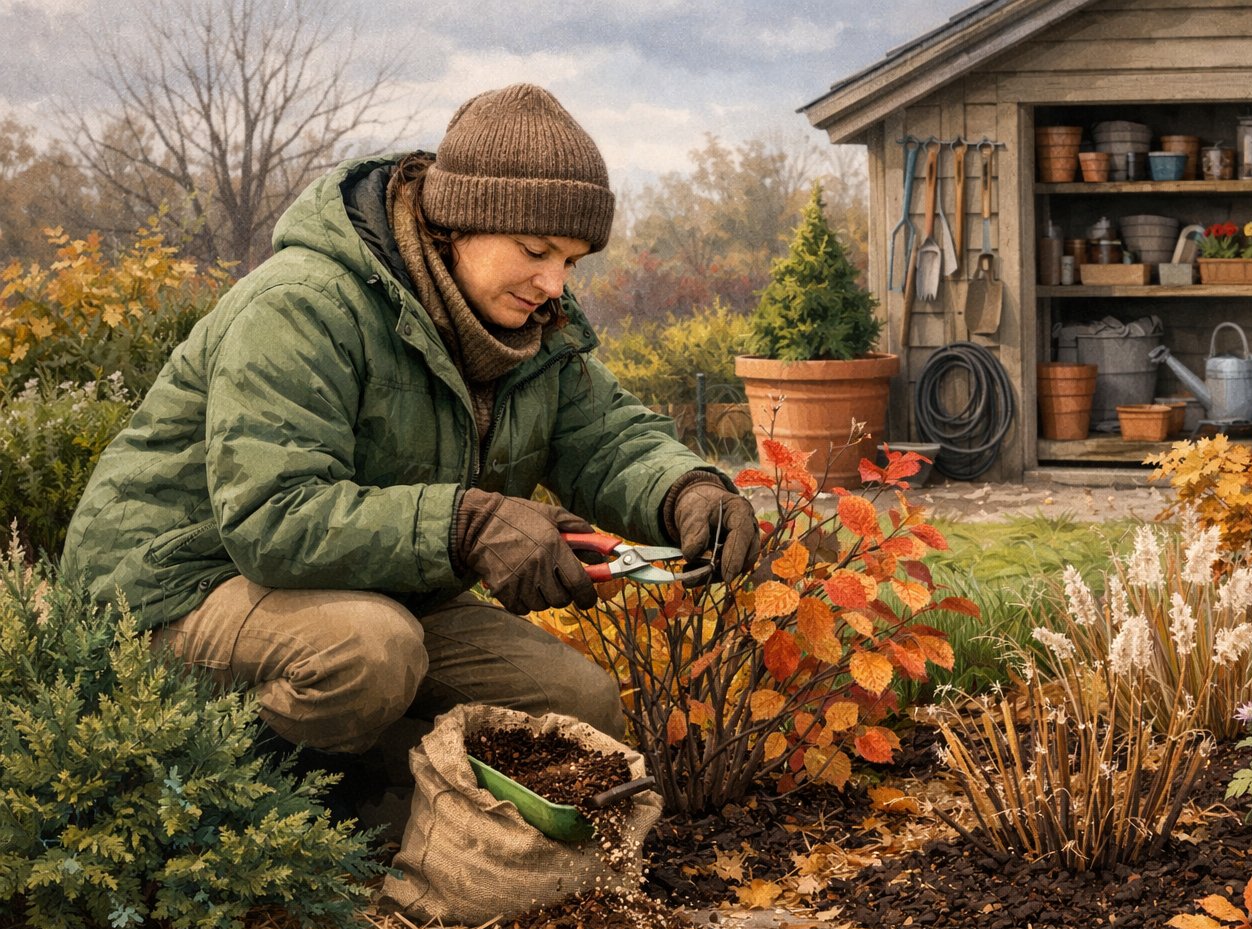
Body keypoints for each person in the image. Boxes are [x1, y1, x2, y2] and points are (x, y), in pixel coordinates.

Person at [61, 83, 760, 806]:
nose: (554, 284)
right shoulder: (302, 306)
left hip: (372, 588)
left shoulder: (529, 328)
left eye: (574, 261)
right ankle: (226, 813)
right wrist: (467, 525)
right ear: (458, 223)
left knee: (570, 701)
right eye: (536, 250)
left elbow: (608, 438)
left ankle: (399, 817)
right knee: (368, 653)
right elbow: (273, 518)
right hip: (176, 588)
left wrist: (688, 490)